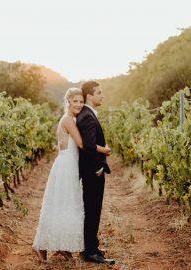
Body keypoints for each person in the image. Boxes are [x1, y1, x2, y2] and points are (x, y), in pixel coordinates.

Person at [32, 87, 111, 263]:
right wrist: (103, 149)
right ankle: (40, 246)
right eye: (75, 101)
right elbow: (83, 144)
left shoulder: (72, 119)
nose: (78, 104)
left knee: (67, 206)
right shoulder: (68, 120)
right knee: (59, 206)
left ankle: (62, 246)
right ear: (67, 102)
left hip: (69, 166)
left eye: (81, 101)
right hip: (65, 166)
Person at [76, 81, 115, 264]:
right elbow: (89, 147)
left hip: (93, 172)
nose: (102, 95)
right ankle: (90, 252)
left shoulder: (88, 114)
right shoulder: (87, 116)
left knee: (93, 210)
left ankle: (92, 246)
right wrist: (98, 168)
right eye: (99, 92)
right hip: (93, 173)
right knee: (92, 210)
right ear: (89, 96)